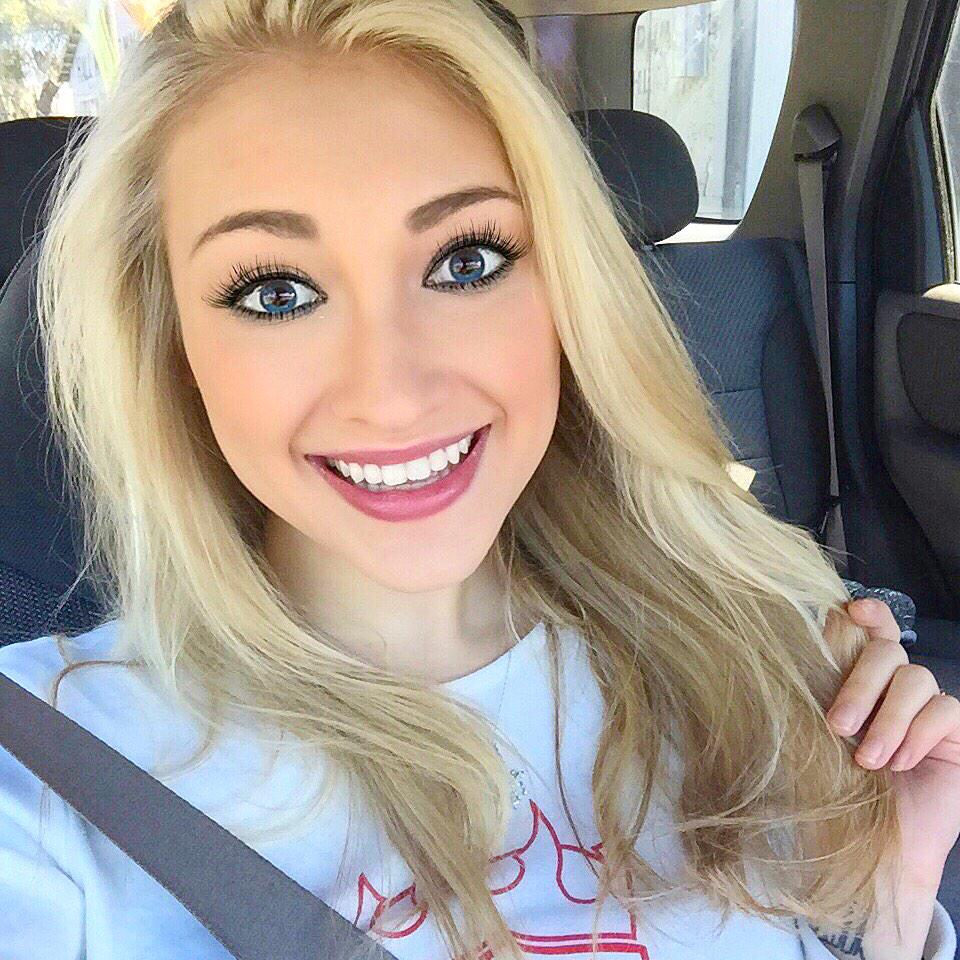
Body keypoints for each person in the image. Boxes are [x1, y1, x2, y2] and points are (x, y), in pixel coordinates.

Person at [0, 0, 958, 958]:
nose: (392, 394)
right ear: (168, 344)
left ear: (567, 293)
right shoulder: (43, 780)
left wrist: (891, 902)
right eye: (277, 292)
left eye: (466, 262)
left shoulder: (759, 656)